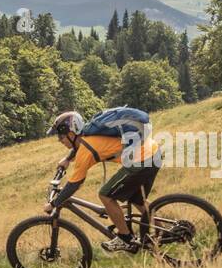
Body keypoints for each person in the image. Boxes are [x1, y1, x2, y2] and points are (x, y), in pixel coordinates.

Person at [45, 108, 163, 253]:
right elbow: (84, 146)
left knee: (105, 195)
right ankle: (162, 230)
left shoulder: (86, 148)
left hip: (141, 161)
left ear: (71, 134)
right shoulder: (89, 134)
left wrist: (54, 203)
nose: (59, 140)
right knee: (137, 199)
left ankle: (125, 238)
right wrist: (68, 159)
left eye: (61, 136)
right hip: (153, 153)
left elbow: (75, 183)